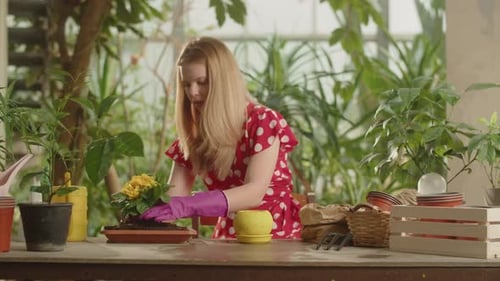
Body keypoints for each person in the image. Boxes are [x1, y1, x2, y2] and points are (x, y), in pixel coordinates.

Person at [140, 36, 302, 239]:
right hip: (227, 241)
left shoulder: (262, 121)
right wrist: (142, 213)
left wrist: (189, 204)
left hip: (276, 239)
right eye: (186, 84)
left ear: (223, 83)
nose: (193, 92)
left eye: (202, 82)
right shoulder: (194, 136)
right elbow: (174, 199)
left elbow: (254, 193)